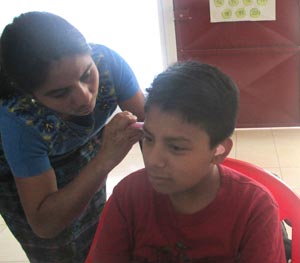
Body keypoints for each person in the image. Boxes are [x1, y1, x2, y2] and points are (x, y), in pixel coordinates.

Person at [86, 61, 286, 263]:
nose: (153, 160)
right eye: (148, 138)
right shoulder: (128, 197)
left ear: (219, 151)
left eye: (176, 148)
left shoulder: (254, 209)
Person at [0, 11, 144, 263]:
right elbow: (44, 223)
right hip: (22, 175)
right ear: (31, 94)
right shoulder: (19, 120)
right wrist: (103, 161)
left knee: (99, 231)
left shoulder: (107, 62)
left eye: (86, 74)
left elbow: (152, 126)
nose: (84, 98)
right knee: (59, 249)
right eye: (59, 93)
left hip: (86, 150)